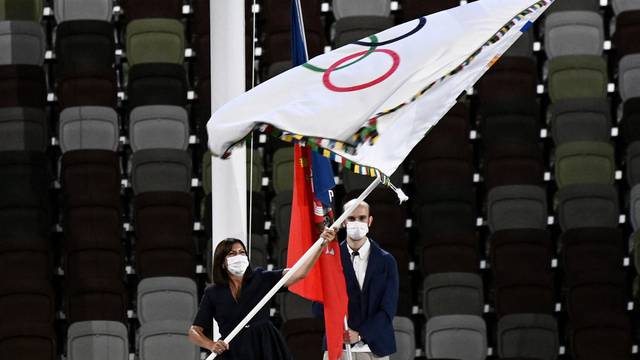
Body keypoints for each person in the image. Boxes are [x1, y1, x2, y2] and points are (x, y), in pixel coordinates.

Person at [189, 227, 337, 359]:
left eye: (242, 252)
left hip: (266, 346)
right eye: (232, 254)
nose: (239, 256)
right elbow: (194, 331)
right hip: (233, 350)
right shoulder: (213, 293)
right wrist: (210, 344)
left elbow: (299, 273)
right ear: (222, 262)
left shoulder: (261, 278)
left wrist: (321, 245)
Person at [315, 199, 399, 360]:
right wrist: (340, 330)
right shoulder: (329, 259)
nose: (357, 222)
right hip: (338, 347)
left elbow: (388, 309)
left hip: (376, 348)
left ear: (370, 220)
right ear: (344, 221)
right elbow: (319, 307)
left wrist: (360, 335)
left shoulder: (387, 261)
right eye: (351, 218)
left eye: (361, 218)